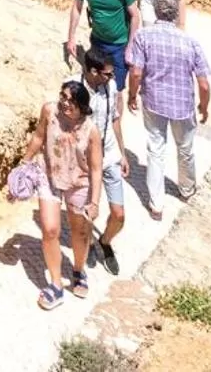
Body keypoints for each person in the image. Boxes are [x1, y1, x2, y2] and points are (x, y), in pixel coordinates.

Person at [126, 0, 211, 220]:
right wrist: (204, 107)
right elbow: (203, 83)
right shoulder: (190, 42)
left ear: (155, 11)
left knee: (156, 150)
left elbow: (136, 72)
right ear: (175, 14)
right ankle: (186, 190)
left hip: (153, 101)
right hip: (183, 105)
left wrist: (132, 95)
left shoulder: (144, 36)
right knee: (186, 149)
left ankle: (156, 205)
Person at [21, 79, 103, 310]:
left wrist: (94, 202)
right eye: (63, 97)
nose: (65, 103)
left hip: (79, 182)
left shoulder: (91, 131)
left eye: (71, 101)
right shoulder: (49, 111)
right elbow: (38, 137)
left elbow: (96, 169)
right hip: (49, 176)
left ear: (82, 106)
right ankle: (56, 285)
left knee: (79, 231)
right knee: (50, 230)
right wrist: (24, 162)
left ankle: (78, 269)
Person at [79, 47, 130, 274]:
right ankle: (89, 242)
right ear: (93, 71)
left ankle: (105, 241)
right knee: (89, 208)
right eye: (108, 74)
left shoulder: (109, 87)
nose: (112, 78)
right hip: (86, 161)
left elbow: (115, 121)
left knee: (119, 214)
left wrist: (123, 153)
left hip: (109, 156)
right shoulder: (75, 89)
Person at [66, 0, 139, 91]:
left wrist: (130, 45)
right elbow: (77, 8)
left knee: (116, 88)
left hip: (119, 45)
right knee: (96, 84)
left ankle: (115, 113)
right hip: (97, 42)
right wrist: (71, 37)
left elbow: (135, 15)